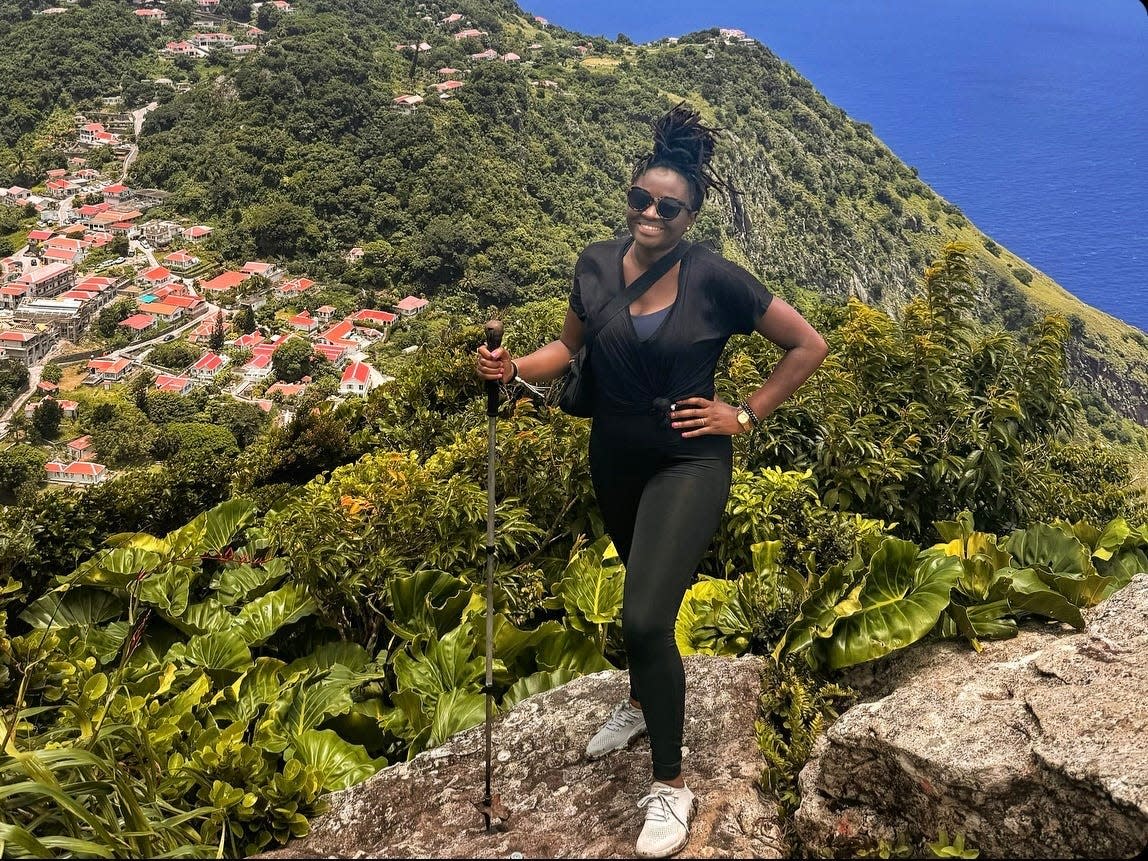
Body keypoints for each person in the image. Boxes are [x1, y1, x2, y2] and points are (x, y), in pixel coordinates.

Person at [475, 104, 828, 859]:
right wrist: (509, 371)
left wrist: (746, 412)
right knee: (638, 585)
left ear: (690, 214)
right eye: (641, 199)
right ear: (628, 198)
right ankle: (639, 700)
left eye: (668, 206)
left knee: (642, 617)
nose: (650, 213)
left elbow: (808, 343)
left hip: (688, 460)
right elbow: (565, 352)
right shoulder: (595, 265)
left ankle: (670, 784)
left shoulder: (715, 279)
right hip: (615, 455)